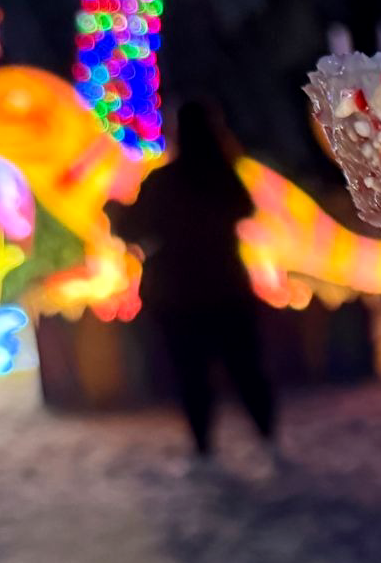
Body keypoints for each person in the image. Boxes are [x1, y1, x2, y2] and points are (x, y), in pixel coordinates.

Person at [109, 100, 277, 457]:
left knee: (191, 375)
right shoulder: (223, 175)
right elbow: (245, 209)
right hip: (226, 286)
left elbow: (130, 229)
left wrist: (120, 214)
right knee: (245, 368)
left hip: (177, 294)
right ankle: (267, 437)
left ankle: (204, 447)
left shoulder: (163, 181)